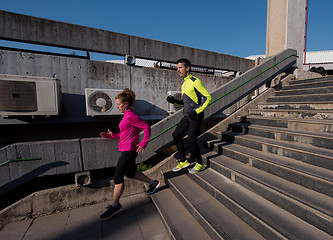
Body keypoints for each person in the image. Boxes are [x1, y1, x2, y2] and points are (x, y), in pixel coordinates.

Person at [99, 88, 160, 220]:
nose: (117, 107)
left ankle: (115, 205)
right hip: (126, 149)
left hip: (129, 151)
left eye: (119, 105)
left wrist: (143, 143)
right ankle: (153, 183)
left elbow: (146, 127)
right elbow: (125, 133)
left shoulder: (131, 116)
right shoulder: (127, 116)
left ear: (126, 104)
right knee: (131, 173)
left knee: (118, 177)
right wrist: (112, 135)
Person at [167, 58, 212, 174]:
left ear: (187, 68)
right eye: (177, 68)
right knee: (176, 135)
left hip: (196, 116)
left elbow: (208, 97)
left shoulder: (195, 81)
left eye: (180, 67)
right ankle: (183, 161)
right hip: (187, 116)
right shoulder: (184, 84)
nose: (178, 70)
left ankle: (200, 163)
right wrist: (174, 101)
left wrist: (197, 111)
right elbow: (185, 102)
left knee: (191, 140)